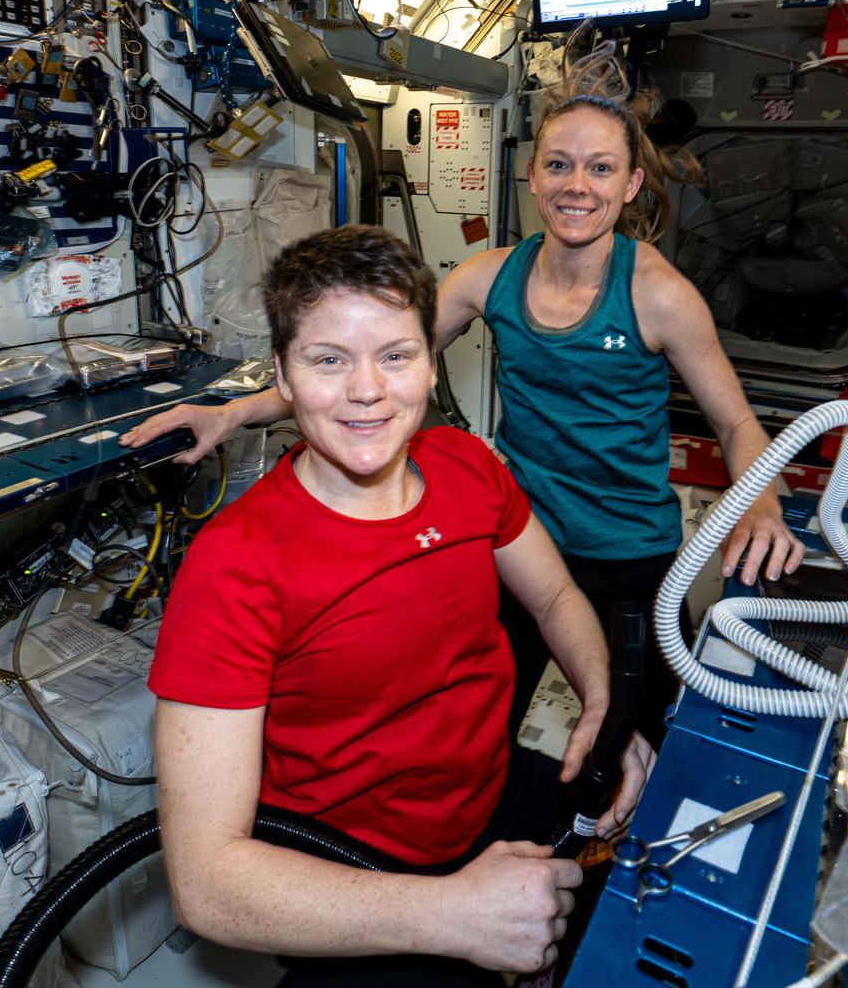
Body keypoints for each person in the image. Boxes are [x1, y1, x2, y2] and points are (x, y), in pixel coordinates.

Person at [125, 57, 804, 760]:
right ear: (533, 175)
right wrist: (232, 414)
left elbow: (736, 423)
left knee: (644, 732)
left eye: (601, 170)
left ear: (630, 185)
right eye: (560, 165)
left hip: (626, 551)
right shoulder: (489, 277)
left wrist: (760, 502)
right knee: (486, 721)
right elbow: (372, 368)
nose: (578, 186)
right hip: (519, 542)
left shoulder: (658, 294)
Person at [146, 225, 651, 986]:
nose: (367, 391)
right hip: (357, 866)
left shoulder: (468, 467)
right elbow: (208, 886)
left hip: (492, 790)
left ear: (430, 355)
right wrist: (453, 914)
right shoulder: (236, 565)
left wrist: (601, 701)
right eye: (328, 360)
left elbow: (553, 595)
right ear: (281, 375)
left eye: (395, 355)